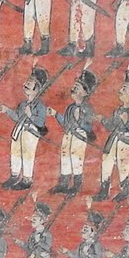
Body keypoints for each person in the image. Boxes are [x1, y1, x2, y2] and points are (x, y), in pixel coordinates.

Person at [96, 71, 129, 203]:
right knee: (106, 162)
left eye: (125, 89)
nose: (120, 91)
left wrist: (127, 122)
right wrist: (103, 120)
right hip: (114, 139)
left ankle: (124, 191)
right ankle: (104, 190)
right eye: (122, 88)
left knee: (122, 165)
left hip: (126, 141)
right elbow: (112, 126)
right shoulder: (118, 110)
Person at [0, 68, 50, 191]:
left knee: (27, 154)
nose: (25, 84)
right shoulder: (23, 104)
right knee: (15, 152)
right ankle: (14, 175)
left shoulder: (40, 106)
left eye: (30, 82)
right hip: (19, 130)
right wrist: (7, 110)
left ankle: (27, 179)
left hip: (31, 132)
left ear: (37, 88)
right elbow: (17, 117)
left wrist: (31, 116)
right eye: (27, 81)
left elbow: (40, 122)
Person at [51, 68, 98, 196]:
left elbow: (88, 126)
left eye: (77, 87)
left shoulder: (87, 108)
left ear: (85, 92)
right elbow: (66, 123)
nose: (74, 88)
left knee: (76, 159)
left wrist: (80, 120)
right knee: (65, 158)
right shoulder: (70, 107)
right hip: (68, 135)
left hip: (79, 136)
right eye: (74, 86)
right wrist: (56, 114)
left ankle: (76, 185)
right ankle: (63, 184)